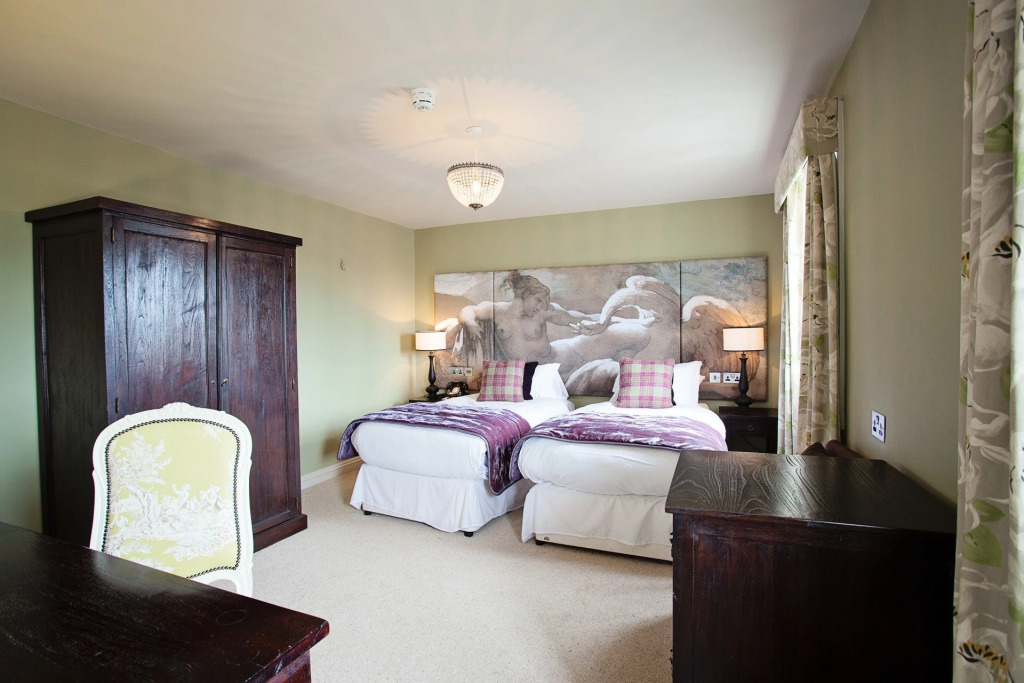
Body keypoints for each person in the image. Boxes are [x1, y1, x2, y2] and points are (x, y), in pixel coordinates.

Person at [455, 271, 660, 381]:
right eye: (538, 300)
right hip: (538, 371)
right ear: (523, 295)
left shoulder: (544, 311)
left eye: (544, 302)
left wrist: (625, 321)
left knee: (637, 333)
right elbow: (467, 310)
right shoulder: (496, 310)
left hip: (563, 355)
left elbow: (582, 318)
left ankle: (640, 323)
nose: (541, 306)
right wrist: (471, 323)